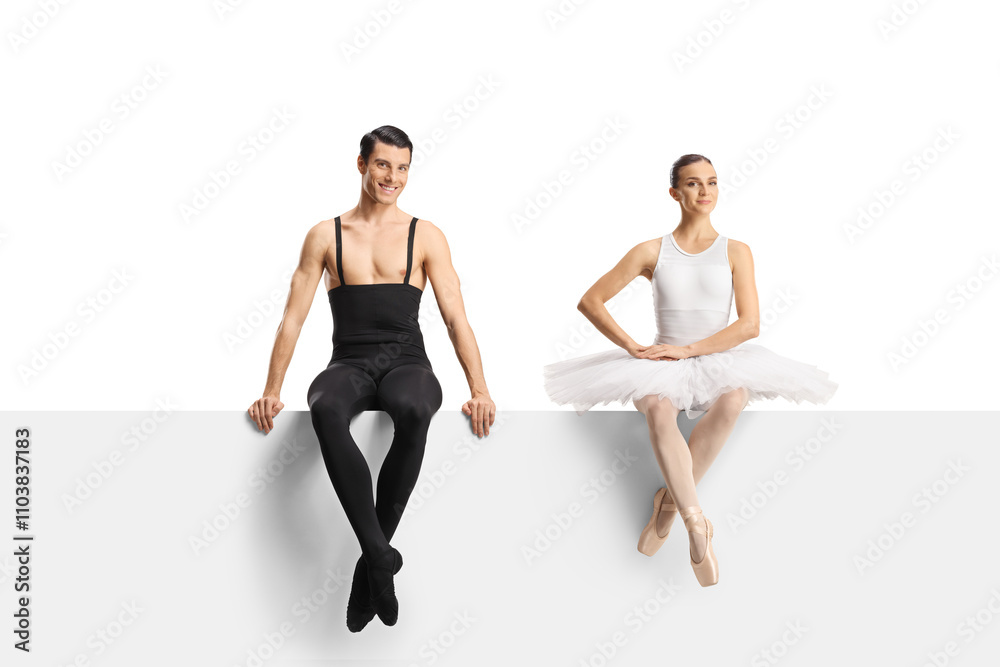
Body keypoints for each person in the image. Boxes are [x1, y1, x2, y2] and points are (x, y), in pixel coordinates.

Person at [542, 154, 837, 587]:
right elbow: (591, 301)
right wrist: (633, 347)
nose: (705, 192)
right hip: (662, 362)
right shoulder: (651, 250)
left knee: (734, 397)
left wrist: (691, 351)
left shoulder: (736, 251)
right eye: (694, 184)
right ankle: (695, 522)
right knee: (660, 410)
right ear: (674, 193)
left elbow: (749, 324)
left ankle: (667, 508)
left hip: (716, 355)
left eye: (712, 183)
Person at [248, 125, 496, 629]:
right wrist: (272, 389)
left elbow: (455, 317)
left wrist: (480, 388)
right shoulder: (325, 234)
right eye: (383, 165)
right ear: (361, 164)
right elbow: (293, 317)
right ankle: (381, 558)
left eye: (402, 167)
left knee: (415, 408)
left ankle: (370, 568)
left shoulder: (425, 234)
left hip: (408, 362)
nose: (393, 177)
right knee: (325, 407)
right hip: (350, 364)